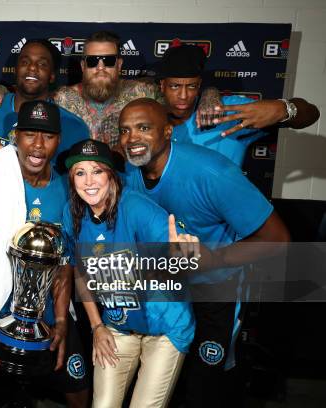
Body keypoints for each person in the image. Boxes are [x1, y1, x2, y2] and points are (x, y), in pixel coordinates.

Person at [117, 98, 290, 408]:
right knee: (162, 388)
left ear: (168, 131)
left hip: (214, 291)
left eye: (144, 128)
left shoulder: (212, 173)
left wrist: (214, 259)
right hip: (164, 292)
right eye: (125, 131)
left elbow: (278, 238)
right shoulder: (126, 174)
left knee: (203, 389)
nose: (133, 138)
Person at [0, 100, 89, 408]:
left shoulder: (67, 188)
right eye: (30, 135)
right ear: (16, 136)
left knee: (80, 395)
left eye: (48, 136)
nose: (38, 146)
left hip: (49, 310)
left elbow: (64, 263)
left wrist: (62, 321)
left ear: (59, 140)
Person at [62, 139, 197, 408]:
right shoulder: (72, 212)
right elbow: (80, 270)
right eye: (80, 173)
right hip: (118, 326)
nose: (89, 181)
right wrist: (96, 326)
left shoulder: (138, 210)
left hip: (163, 328)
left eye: (97, 171)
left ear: (111, 174)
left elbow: (180, 264)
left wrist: (181, 259)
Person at [51, 31, 222, 149]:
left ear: (119, 65)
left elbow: (181, 98)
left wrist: (209, 94)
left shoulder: (142, 92)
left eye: (109, 61)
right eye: (93, 61)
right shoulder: (63, 99)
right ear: (83, 66)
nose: (100, 67)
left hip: (128, 185)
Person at [159, 44, 320, 166]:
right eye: (175, 86)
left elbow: (311, 114)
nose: (183, 95)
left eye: (191, 86)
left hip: (221, 208)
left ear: (199, 85)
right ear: (162, 85)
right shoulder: (150, 116)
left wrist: (284, 108)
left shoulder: (230, 111)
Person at [0, 39, 89, 169]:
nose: (32, 67)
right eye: (25, 62)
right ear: (15, 69)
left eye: (42, 64)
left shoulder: (73, 126)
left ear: (52, 75)